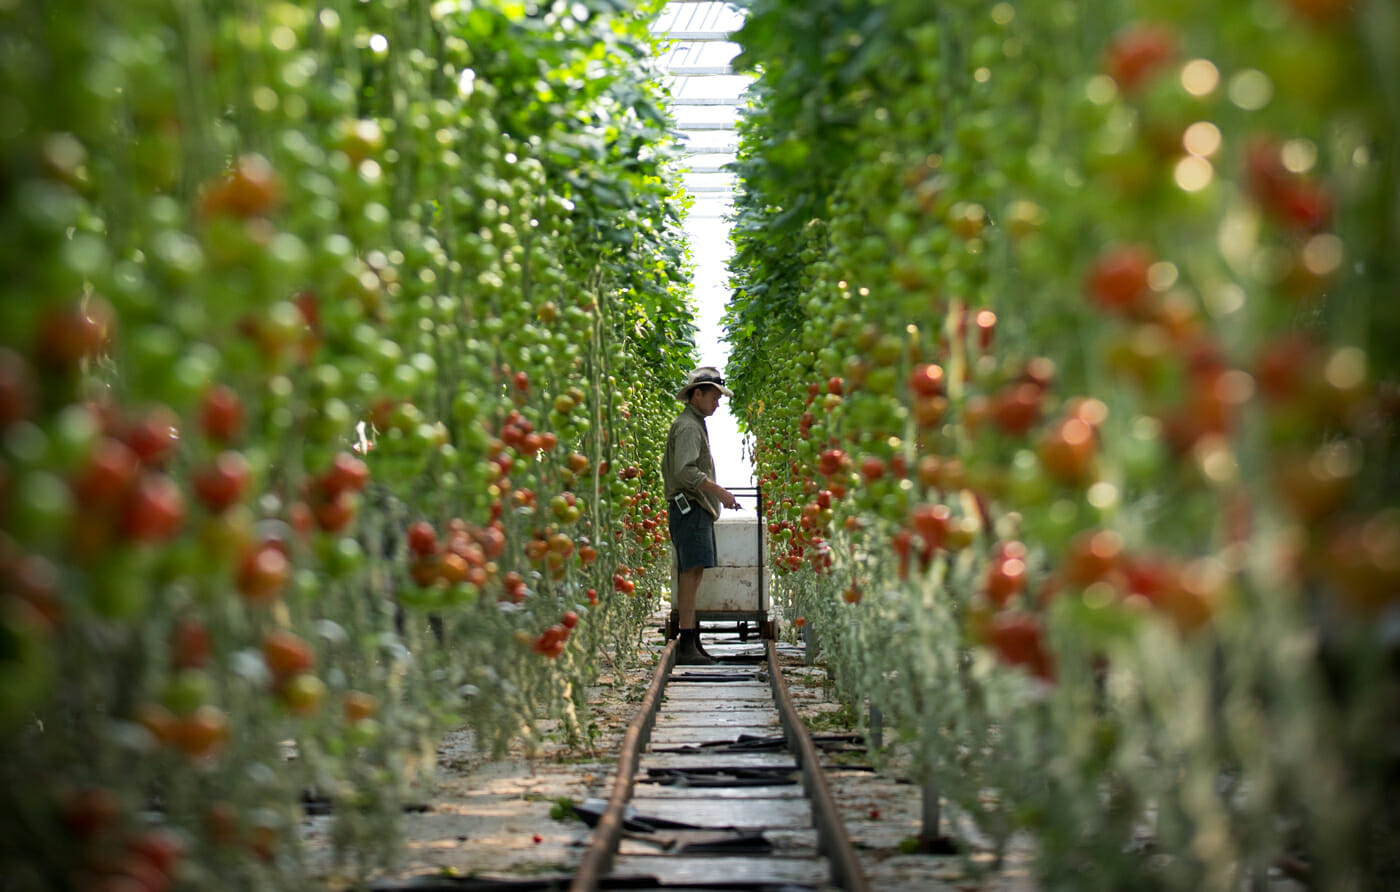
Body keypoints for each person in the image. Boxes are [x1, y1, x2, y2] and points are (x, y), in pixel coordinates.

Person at [663, 366, 741, 665]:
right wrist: (719, 491)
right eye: (714, 397)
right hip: (690, 507)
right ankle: (687, 643)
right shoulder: (688, 426)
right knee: (690, 573)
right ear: (698, 394)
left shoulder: (694, 423)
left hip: (696, 507)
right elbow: (685, 471)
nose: (718, 404)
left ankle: (690, 641)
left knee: (693, 573)